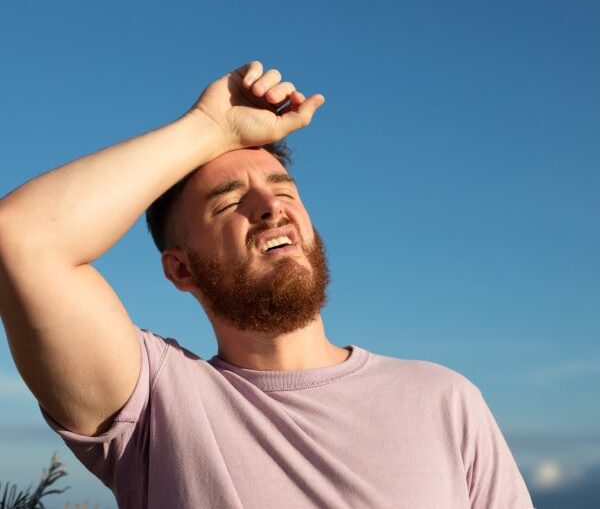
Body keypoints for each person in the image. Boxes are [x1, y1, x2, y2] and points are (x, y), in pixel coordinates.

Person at [0, 62, 533, 508]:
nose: (270, 206)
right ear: (181, 270)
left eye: (284, 190)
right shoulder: (157, 408)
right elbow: (21, 239)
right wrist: (209, 128)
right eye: (230, 202)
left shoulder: (444, 399)